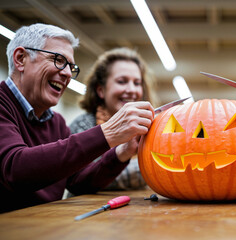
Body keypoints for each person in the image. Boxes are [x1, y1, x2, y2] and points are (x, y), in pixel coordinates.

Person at [0, 23, 154, 213]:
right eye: (57, 60)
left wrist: (121, 153)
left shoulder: (56, 123)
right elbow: (15, 169)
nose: (66, 73)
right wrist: (108, 133)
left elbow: (78, 184)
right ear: (21, 59)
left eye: (70, 67)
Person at [68, 47, 156, 192]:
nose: (132, 90)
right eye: (122, 81)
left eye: (137, 83)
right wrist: (153, 167)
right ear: (100, 90)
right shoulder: (83, 125)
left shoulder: (148, 126)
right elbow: (81, 181)